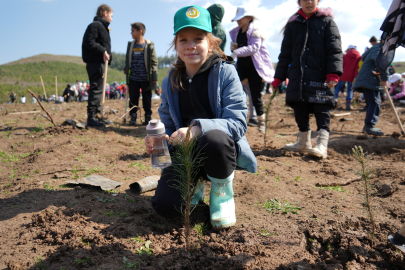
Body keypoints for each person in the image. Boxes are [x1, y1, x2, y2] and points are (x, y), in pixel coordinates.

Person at [146, 5, 256, 229]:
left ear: (211, 42)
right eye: (183, 40)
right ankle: (193, 184)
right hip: (184, 155)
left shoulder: (225, 72)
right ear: (175, 44)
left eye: (198, 38)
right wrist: (159, 139)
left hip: (217, 152)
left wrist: (196, 129)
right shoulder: (170, 81)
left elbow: (237, 124)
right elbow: (167, 123)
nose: (191, 46)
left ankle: (221, 194)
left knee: (214, 138)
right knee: (166, 207)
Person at [271, 0, 343, 159]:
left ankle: (322, 145)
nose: (309, 2)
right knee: (299, 108)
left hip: (321, 75)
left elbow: (335, 49)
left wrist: (333, 73)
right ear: (299, 2)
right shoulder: (293, 25)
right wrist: (278, 78)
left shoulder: (327, 22)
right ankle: (304, 142)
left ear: (318, 1)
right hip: (298, 76)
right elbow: (285, 54)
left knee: (322, 108)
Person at [229, 6, 275, 133]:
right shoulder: (236, 32)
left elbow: (254, 48)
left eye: (241, 18)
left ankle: (261, 122)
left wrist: (236, 52)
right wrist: (234, 48)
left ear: (249, 18)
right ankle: (235, 118)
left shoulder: (255, 31)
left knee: (255, 96)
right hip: (242, 66)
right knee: (233, 88)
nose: (238, 21)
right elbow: (238, 49)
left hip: (255, 67)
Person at [82, 4, 113, 127]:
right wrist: (103, 51)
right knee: (96, 90)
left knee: (100, 91)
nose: (112, 18)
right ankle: (91, 118)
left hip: (101, 63)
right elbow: (88, 41)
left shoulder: (103, 28)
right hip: (95, 63)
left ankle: (98, 115)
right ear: (105, 13)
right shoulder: (95, 25)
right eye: (111, 15)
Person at [124, 22, 158, 126]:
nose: (131, 33)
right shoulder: (131, 45)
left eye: (133, 31)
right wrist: (126, 67)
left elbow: (154, 61)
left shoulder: (148, 45)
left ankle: (147, 116)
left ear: (140, 32)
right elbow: (127, 58)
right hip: (133, 77)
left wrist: (154, 77)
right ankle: (133, 116)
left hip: (145, 78)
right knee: (133, 98)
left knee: (147, 99)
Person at [353, 37, 388, 136]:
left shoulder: (376, 48)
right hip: (369, 80)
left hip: (369, 80)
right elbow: (381, 62)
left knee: (373, 102)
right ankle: (369, 126)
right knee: (375, 102)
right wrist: (385, 78)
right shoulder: (378, 49)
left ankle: (368, 126)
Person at [334, 45, 361, 110]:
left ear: (349, 49)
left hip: (343, 74)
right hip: (351, 76)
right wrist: (355, 77)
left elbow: (342, 65)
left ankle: (334, 100)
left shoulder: (345, 56)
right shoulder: (358, 57)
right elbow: (356, 68)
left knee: (338, 88)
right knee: (350, 90)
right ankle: (348, 105)